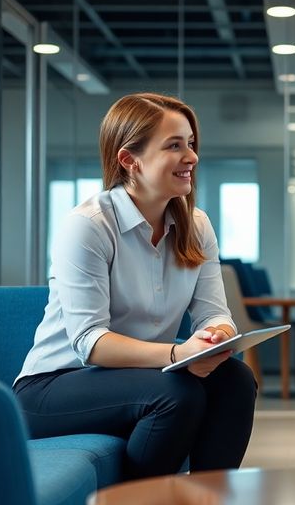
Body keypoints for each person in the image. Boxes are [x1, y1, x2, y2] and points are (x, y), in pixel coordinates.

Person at [13, 93, 257, 479]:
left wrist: (216, 338)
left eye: (191, 144)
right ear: (130, 160)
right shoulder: (89, 225)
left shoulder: (197, 225)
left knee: (236, 381)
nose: (191, 156)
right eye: (174, 145)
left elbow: (213, 312)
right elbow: (90, 342)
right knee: (177, 394)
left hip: (145, 380)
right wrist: (178, 355)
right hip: (54, 387)